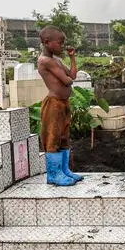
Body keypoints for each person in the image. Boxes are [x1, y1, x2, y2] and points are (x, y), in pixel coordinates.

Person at [37, 25, 83, 186]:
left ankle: (64, 171)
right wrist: (66, 76)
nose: (63, 46)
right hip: (53, 104)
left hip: (63, 104)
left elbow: (72, 75)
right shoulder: (45, 61)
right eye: (60, 43)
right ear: (47, 42)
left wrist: (72, 58)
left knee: (64, 137)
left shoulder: (55, 61)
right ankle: (54, 174)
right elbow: (67, 80)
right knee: (53, 138)